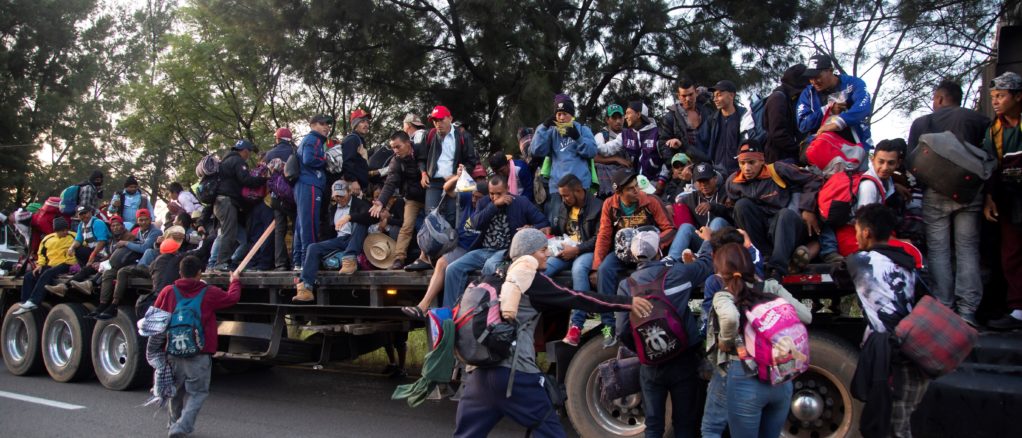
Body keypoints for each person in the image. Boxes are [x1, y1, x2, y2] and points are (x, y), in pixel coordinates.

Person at [452, 228, 652, 438]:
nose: (548, 254)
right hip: (515, 375)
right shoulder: (530, 279)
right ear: (528, 254)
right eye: (543, 250)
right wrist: (626, 303)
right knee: (550, 432)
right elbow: (578, 298)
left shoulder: (491, 276)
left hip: (478, 374)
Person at [903, 80, 991, 327]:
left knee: (938, 250)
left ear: (939, 99)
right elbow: (990, 157)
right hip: (969, 193)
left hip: (935, 192)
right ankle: (968, 312)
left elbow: (912, 162)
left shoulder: (923, 123)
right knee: (967, 249)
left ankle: (944, 306)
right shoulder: (978, 120)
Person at [615, 229, 714, 438]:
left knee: (653, 425)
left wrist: (643, 350)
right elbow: (706, 264)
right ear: (660, 252)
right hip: (683, 360)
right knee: (684, 424)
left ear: (634, 256)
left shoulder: (626, 286)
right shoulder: (677, 273)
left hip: (650, 366)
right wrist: (707, 242)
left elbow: (622, 331)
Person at [706, 242, 810, 438]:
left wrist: (725, 340)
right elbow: (806, 316)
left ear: (720, 273)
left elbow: (730, 317)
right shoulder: (770, 287)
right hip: (781, 377)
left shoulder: (724, 296)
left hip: (745, 378)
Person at [846, 204, 926, 437]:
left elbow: (838, 273)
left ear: (867, 233)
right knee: (899, 423)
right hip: (915, 351)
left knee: (893, 429)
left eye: (857, 230)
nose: (856, 236)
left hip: (895, 360)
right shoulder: (906, 261)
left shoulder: (859, 262)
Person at [152, 255, 241, 437]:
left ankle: (172, 424)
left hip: (173, 350)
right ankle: (181, 426)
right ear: (200, 273)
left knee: (175, 391)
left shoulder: (168, 291)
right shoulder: (209, 292)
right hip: (199, 352)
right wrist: (235, 282)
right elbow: (232, 298)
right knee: (197, 393)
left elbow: (155, 319)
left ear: (180, 272)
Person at [442, 175, 550, 308]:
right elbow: (474, 224)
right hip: (484, 250)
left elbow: (544, 222)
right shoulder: (484, 202)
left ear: (508, 189)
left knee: (490, 266)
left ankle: (485, 311)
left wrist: (531, 228)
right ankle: (449, 314)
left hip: (506, 251)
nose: (495, 196)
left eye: (499, 193)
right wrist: (494, 206)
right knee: (452, 269)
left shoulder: (521, 202)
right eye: (492, 193)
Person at [725, 141, 822, 279]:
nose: (746, 168)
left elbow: (813, 180)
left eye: (752, 162)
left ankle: (777, 269)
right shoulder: (733, 182)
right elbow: (735, 211)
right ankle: (762, 258)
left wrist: (807, 208)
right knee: (741, 206)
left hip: (785, 227)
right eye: (742, 163)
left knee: (785, 215)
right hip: (762, 232)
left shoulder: (777, 170)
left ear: (761, 160)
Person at [401, 172, 486, 316]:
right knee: (438, 255)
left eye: (478, 198)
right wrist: (457, 178)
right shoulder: (468, 198)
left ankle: (434, 309)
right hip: (460, 244)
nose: (474, 200)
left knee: (445, 265)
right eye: (473, 196)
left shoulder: (490, 206)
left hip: (475, 249)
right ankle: (422, 306)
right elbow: (447, 189)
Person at [591, 169, 675, 297]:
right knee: (604, 270)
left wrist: (654, 244)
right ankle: (607, 316)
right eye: (630, 188)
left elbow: (670, 229)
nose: (636, 190)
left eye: (636, 185)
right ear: (619, 192)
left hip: (647, 253)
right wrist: (596, 266)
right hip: (622, 252)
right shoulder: (609, 204)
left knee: (646, 276)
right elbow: (604, 236)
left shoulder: (651, 201)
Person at [544, 175, 606, 346]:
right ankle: (532, 310)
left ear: (579, 191)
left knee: (579, 270)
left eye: (566, 195)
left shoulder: (598, 207)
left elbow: (599, 238)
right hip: (567, 249)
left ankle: (576, 325)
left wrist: (577, 249)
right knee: (545, 268)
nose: (563, 199)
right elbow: (559, 230)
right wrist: (548, 231)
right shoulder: (565, 206)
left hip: (587, 251)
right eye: (562, 196)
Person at [982, 72, 1022, 330]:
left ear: (1018, 96)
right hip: (1010, 198)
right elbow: (988, 166)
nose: (996, 102)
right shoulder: (994, 130)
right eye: (993, 97)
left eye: (1001, 96)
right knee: (1012, 253)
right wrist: (989, 199)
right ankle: (1018, 309)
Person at [294, 180, 372, 302]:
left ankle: (350, 258)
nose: (339, 198)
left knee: (360, 223)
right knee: (313, 247)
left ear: (349, 192)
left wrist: (350, 217)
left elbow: (370, 217)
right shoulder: (333, 209)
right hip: (340, 240)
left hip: (356, 239)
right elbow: (327, 232)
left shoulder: (360, 204)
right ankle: (306, 288)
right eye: (336, 196)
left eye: (341, 195)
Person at [530, 94, 598, 218]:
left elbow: (592, 151)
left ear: (572, 114)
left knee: (582, 223)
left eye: (565, 114)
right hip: (558, 189)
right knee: (558, 227)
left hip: (580, 186)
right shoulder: (551, 132)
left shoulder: (583, 129)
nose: (561, 118)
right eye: (558, 114)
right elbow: (537, 151)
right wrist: (543, 127)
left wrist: (578, 138)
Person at [87, 209, 162, 319]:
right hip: (136, 261)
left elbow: (144, 248)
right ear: (137, 220)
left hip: (147, 265)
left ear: (150, 220)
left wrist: (126, 243)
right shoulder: (140, 232)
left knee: (122, 272)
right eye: (140, 220)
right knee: (108, 273)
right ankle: (102, 304)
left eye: (146, 220)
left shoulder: (155, 232)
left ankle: (114, 304)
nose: (143, 222)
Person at [369, 131, 424, 269]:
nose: (395, 150)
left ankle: (430, 256)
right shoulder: (396, 160)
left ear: (408, 143)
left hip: (430, 192)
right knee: (406, 226)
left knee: (432, 224)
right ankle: (399, 258)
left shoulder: (422, 151)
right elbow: (390, 183)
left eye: (398, 146)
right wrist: (381, 201)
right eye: (393, 147)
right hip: (412, 197)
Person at [797, 54, 874, 150]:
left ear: (830, 70)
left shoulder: (853, 83)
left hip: (857, 147)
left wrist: (839, 122)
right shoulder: (808, 94)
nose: (814, 81)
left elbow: (863, 106)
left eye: (817, 76)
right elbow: (802, 125)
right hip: (825, 149)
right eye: (810, 78)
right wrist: (827, 110)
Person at [211, 139, 268, 271]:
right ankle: (221, 263)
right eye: (248, 153)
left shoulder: (225, 161)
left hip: (219, 202)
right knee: (228, 233)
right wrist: (263, 180)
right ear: (245, 151)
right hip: (226, 201)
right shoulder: (237, 161)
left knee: (233, 234)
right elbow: (245, 180)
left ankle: (220, 262)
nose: (248, 156)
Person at [419, 105, 479, 228]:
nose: (438, 123)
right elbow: (421, 158)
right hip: (433, 182)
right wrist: (423, 173)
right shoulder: (429, 135)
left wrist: (460, 173)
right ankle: (432, 245)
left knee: (452, 217)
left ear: (450, 118)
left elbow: (472, 161)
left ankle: (450, 245)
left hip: (454, 182)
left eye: (441, 119)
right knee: (431, 217)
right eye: (435, 121)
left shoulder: (463, 136)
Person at [669, 162, 732, 260]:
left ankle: (701, 256)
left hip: (724, 239)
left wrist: (712, 206)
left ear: (715, 178)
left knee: (717, 221)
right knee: (686, 227)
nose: (704, 185)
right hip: (702, 240)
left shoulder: (726, 192)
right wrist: (668, 205)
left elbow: (731, 213)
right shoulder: (693, 197)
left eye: (707, 180)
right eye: (700, 181)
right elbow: (676, 200)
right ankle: (671, 259)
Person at [13, 217, 76, 314]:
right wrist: (40, 265)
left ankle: (34, 301)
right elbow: (41, 253)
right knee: (29, 276)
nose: (65, 232)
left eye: (66, 229)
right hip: (51, 264)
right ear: (56, 231)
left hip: (67, 264)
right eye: (62, 231)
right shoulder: (48, 238)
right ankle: (25, 303)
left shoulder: (73, 236)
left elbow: (82, 246)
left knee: (47, 273)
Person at [602, 101, 665, 193]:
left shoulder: (657, 133)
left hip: (655, 184)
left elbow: (667, 160)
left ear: (638, 114)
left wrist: (661, 181)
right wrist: (587, 142)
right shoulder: (625, 134)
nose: (625, 117)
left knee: (664, 207)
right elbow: (606, 149)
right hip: (635, 186)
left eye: (628, 113)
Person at [294, 114, 331, 269]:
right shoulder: (313, 139)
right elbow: (309, 159)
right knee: (310, 224)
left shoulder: (314, 140)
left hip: (305, 185)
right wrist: (326, 159)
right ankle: (308, 262)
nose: (326, 127)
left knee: (301, 224)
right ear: (313, 125)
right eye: (322, 123)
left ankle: (298, 262)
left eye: (328, 124)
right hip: (309, 184)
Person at [263, 127, 298, 271]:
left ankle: (280, 264)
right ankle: (296, 261)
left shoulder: (269, 154)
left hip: (276, 197)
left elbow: (267, 176)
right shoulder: (294, 152)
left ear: (277, 139)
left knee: (280, 229)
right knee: (297, 228)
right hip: (293, 196)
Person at [660, 78, 713, 167]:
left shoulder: (707, 111)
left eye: (690, 94)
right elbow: (663, 144)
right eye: (684, 96)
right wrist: (673, 167)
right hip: (685, 165)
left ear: (696, 92)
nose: (688, 99)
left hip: (709, 162)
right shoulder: (671, 117)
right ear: (678, 96)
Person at [763, 64, 810, 164]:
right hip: (780, 159)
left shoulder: (793, 97)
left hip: (789, 156)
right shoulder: (778, 98)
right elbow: (778, 133)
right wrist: (797, 149)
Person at [701, 80, 746, 175]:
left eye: (719, 95)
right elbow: (701, 142)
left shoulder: (745, 117)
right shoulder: (712, 120)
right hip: (717, 173)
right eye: (714, 95)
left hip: (740, 173)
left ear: (731, 95)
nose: (715, 99)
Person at [594, 104, 632, 198]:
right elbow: (594, 158)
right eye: (614, 118)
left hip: (627, 181)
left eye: (620, 117)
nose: (618, 121)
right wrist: (616, 159)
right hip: (606, 186)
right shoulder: (601, 136)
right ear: (607, 120)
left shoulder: (630, 134)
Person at [341, 108, 371, 189]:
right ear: (355, 124)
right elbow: (347, 162)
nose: (366, 125)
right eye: (362, 121)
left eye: (367, 122)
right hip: (352, 186)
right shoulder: (352, 139)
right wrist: (353, 181)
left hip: (359, 185)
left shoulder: (359, 140)